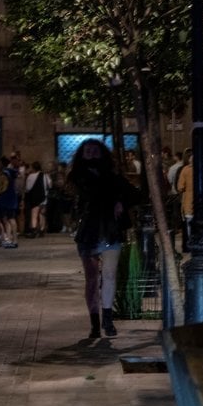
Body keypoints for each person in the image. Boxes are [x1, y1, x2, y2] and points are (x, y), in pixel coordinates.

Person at [69, 138, 139, 339]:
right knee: (92, 280)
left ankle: (107, 319)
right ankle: (94, 322)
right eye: (87, 150)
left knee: (109, 275)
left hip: (109, 230)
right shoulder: (78, 176)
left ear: (102, 153)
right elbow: (86, 195)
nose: (91, 153)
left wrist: (120, 201)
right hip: (89, 233)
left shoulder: (112, 176)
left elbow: (134, 194)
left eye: (95, 150)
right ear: (82, 154)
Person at [175, 149, 203, 253]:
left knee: (189, 225)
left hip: (189, 201)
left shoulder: (185, 170)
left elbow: (180, 187)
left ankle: (192, 244)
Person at [23, 161, 50, 238]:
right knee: (42, 214)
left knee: (34, 214)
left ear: (33, 168)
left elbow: (28, 188)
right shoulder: (45, 175)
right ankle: (42, 230)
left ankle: (34, 230)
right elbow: (50, 184)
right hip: (44, 196)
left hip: (35, 197)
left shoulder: (30, 176)